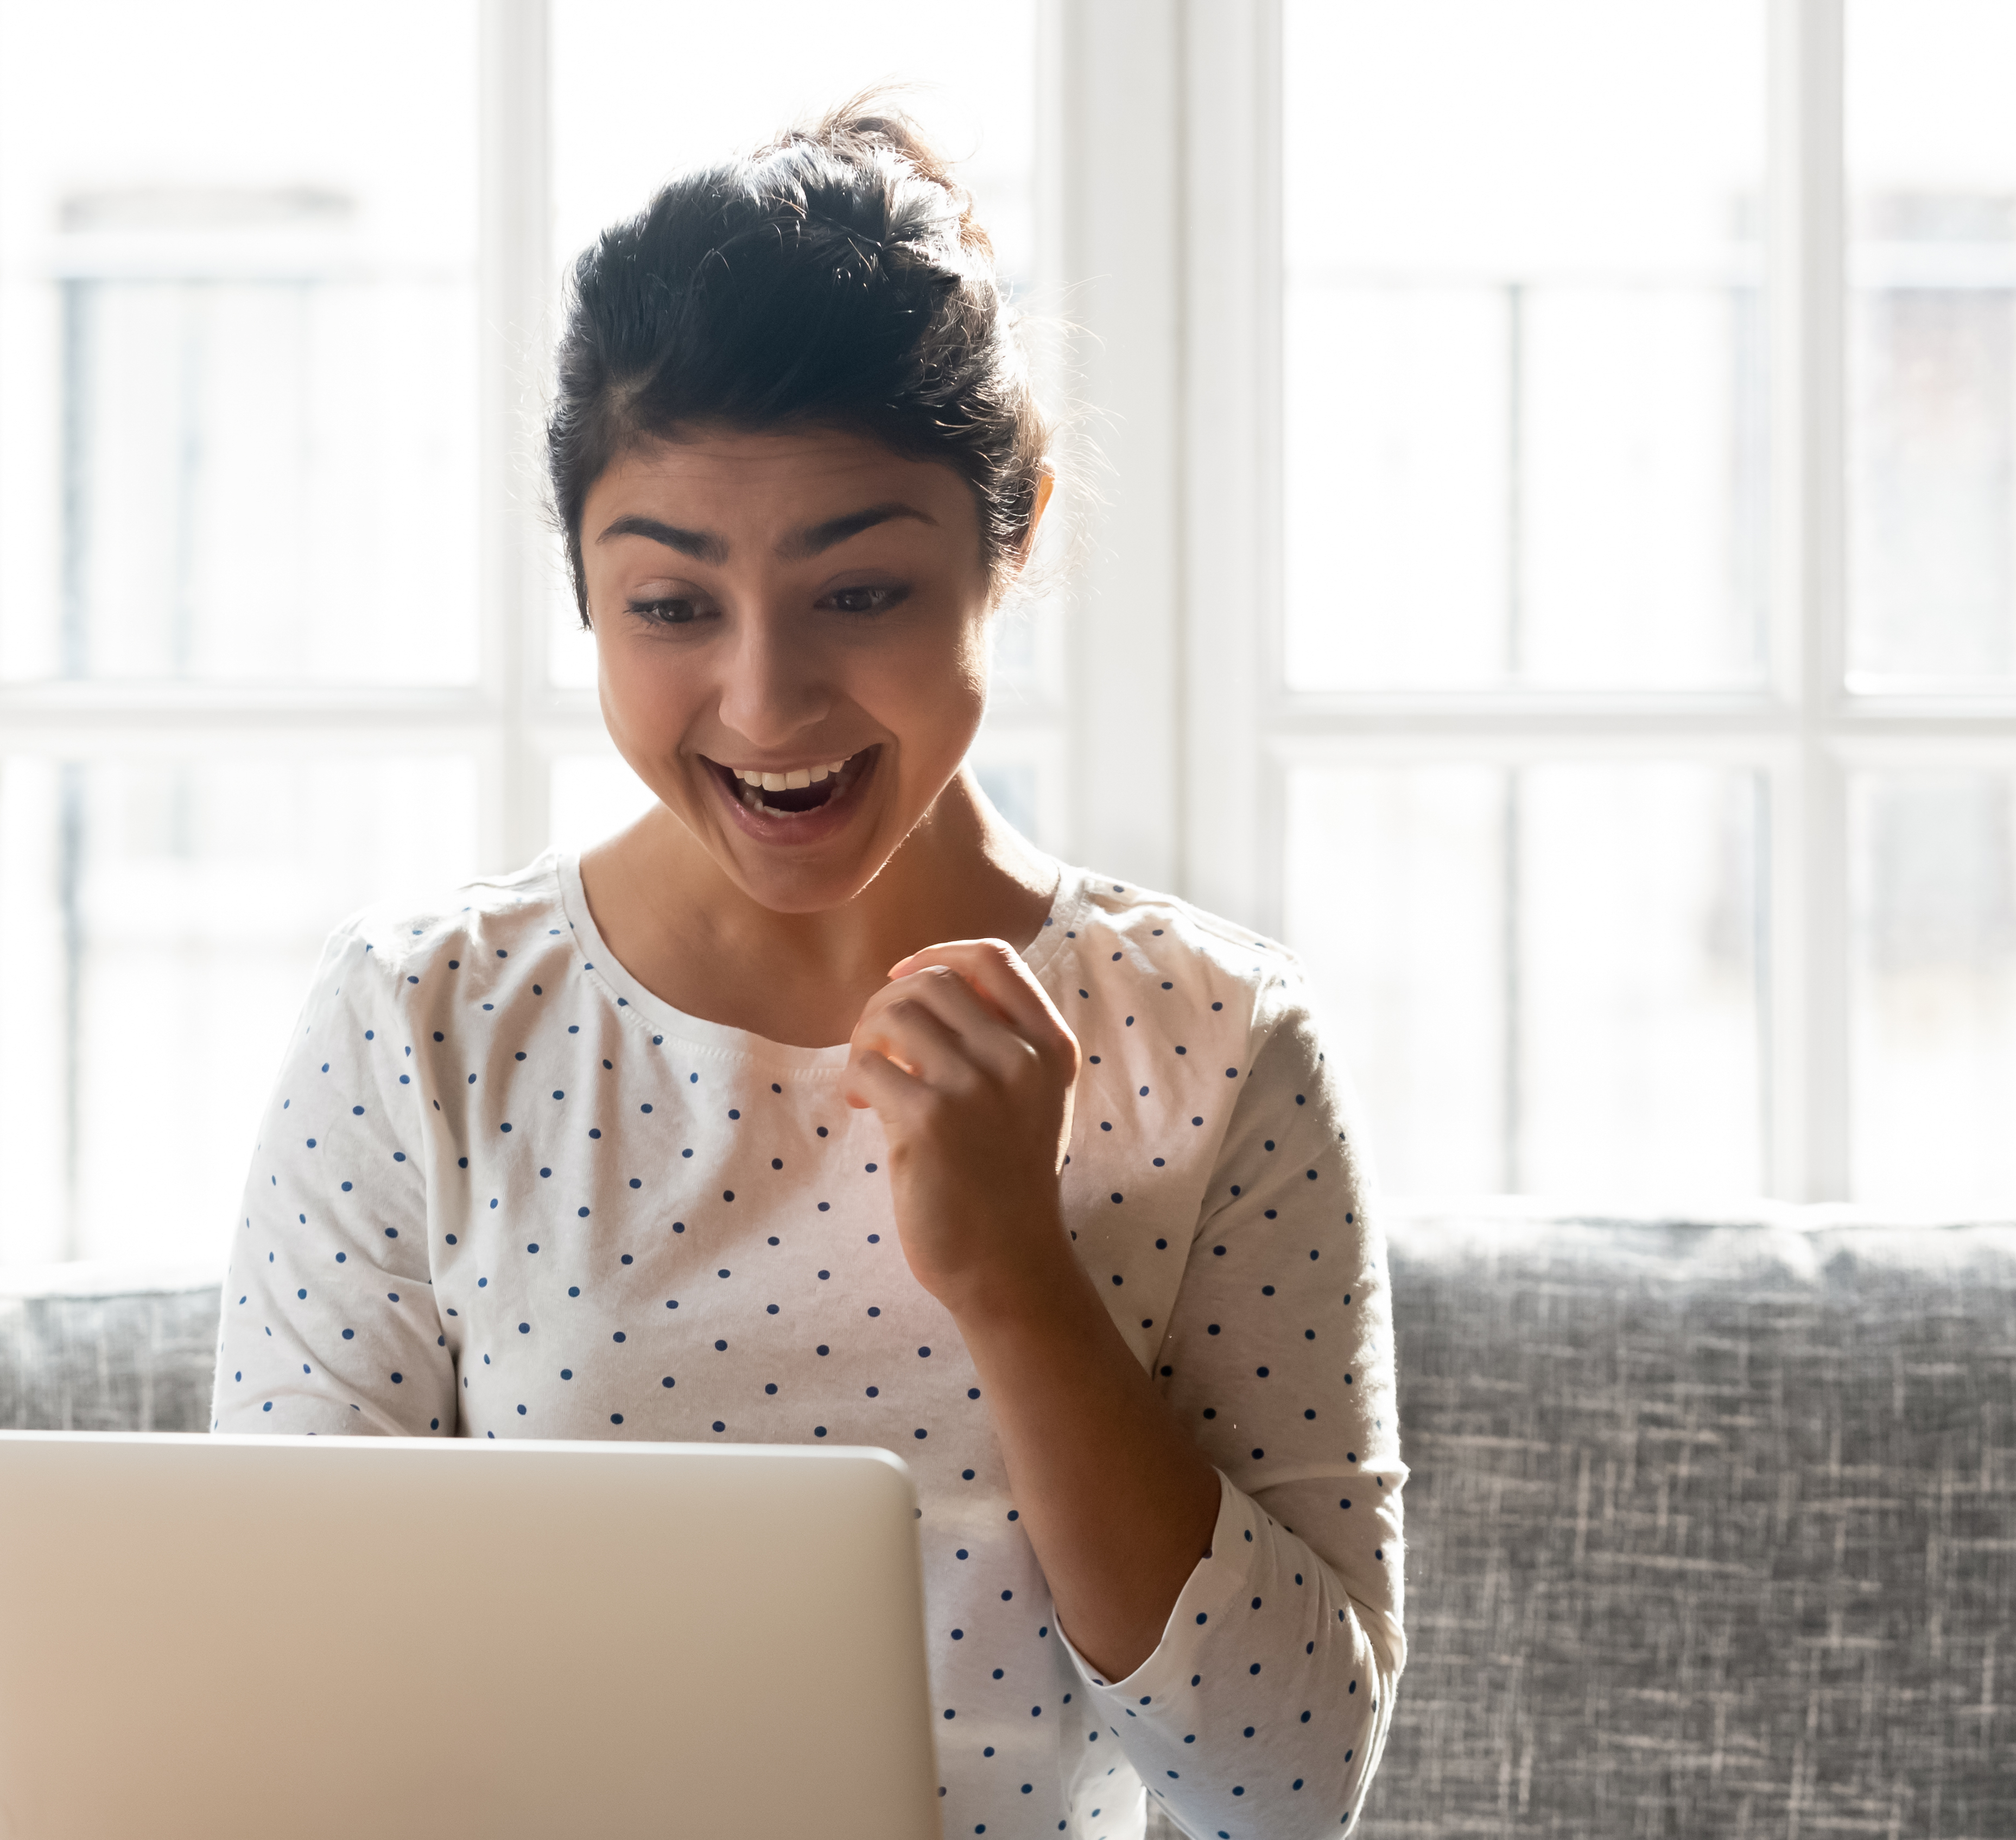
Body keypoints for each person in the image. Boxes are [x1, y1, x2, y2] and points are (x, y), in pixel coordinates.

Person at [210, 101, 1405, 1840]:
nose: (766, 707)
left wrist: (1016, 1278)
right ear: (583, 590)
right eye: (672, 609)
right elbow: (263, 1705)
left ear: (1011, 541)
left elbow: (1285, 1792)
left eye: (860, 594)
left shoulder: (1215, 1042)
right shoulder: (424, 1026)